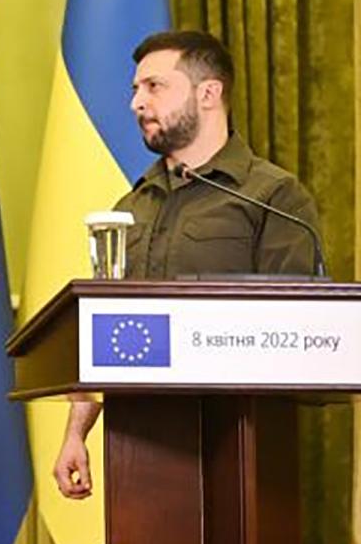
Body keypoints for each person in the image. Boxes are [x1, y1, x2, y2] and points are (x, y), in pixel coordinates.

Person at [53, 29, 320, 500]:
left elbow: (297, 331)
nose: (137, 102)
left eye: (154, 87)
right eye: (135, 89)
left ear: (209, 93)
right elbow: (104, 330)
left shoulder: (273, 197)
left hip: (241, 448)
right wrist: (77, 431)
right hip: (137, 448)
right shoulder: (131, 207)